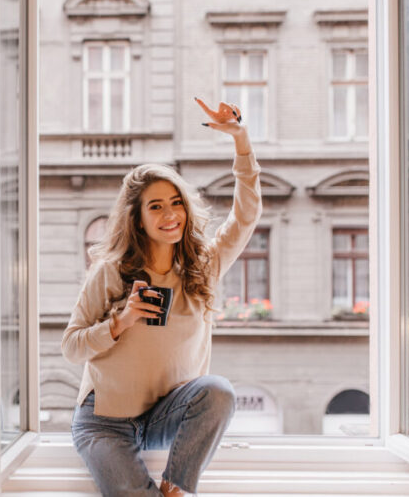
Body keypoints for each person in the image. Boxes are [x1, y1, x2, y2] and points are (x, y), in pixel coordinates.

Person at [61, 102, 262, 496]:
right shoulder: (111, 270)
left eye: (176, 203)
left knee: (219, 391)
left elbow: (246, 216)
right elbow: (71, 346)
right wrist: (120, 322)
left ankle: (178, 486)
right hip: (104, 421)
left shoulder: (204, 266)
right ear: (138, 219)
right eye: (156, 206)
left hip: (165, 416)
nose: (170, 215)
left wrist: (241, 140)